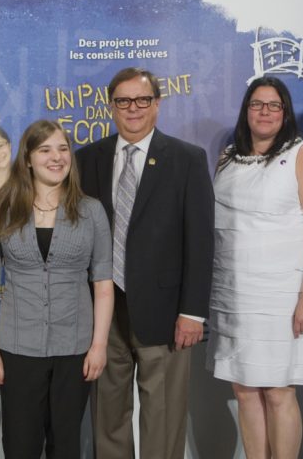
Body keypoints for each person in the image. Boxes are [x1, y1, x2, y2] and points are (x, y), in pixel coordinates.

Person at [75, 67, 214, 459]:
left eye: (142, 100)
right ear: (111, 106)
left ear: (157, 104)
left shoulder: (187, 159)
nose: (132, 109)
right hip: (102, 311)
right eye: (123, 101)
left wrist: (193, 312)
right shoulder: (88, 159)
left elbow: (201, 242)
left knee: (164, 416)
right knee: (108, 414)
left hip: (167, 312)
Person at [0, 119, 114, 459]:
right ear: (29, 158)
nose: (56, 157)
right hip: (18, 349)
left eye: (63, 149)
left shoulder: (91, 211)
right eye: (45, 149)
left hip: (75, 348)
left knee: (66, 445)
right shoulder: (1, 210)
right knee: (20, 445)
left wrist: (99, 346)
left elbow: (104, 285)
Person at [206, 76, 303, 458]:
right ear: (246, 111)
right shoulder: (228, 156)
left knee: (279, 390)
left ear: (285, 113)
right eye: (257, 104)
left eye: (273, 105)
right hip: (233, 293)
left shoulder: (302, 154)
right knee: (244, 389)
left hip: (283, 295)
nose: (264, 112)